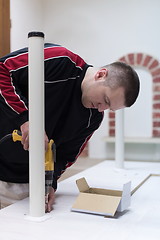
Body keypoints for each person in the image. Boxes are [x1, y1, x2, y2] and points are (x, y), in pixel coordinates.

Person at [0, 43, 140, 212]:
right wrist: (26, 119)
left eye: (109, 108)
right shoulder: (60, 60)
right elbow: (2, 70)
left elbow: (65, 156)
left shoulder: (93, 118)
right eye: (106, 100)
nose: (102, 109)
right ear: (101, 75)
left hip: (24, 184)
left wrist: (50, 184)